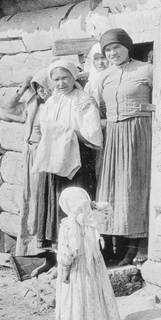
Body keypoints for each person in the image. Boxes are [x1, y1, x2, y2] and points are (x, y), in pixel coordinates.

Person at [26, 59, 102, 258]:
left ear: (73, 77)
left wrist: (64, 132)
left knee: (74, 200)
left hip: (76, 156)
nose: (61, 83)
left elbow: (92, 133)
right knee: (54, 200)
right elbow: (45, 129)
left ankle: (78, 252)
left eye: (65, 78)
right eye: (57, 79)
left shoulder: (84, 100)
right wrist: (54, 135)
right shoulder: (51, 102)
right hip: (53, 157)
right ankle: (57, 254)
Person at [95, 28, 153, 266]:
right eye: (107, 50)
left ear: (128, 46)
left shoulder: (145, 69)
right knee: (117, 189)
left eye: (116, 47)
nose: (112, 53)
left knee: (137, 184)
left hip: (139, 132)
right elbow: (99, 107)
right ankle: (122, 247)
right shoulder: (104, 77)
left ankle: (142, 244)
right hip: (114, 136)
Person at [55, 186, 122, 320]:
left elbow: (66, 252)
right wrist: (92, 205)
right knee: (94, 294)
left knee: (78, 296)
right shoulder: (92, 218)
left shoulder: (68, 225)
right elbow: (108, 210)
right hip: (95, 266)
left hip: (77, 268)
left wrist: (65, 270)